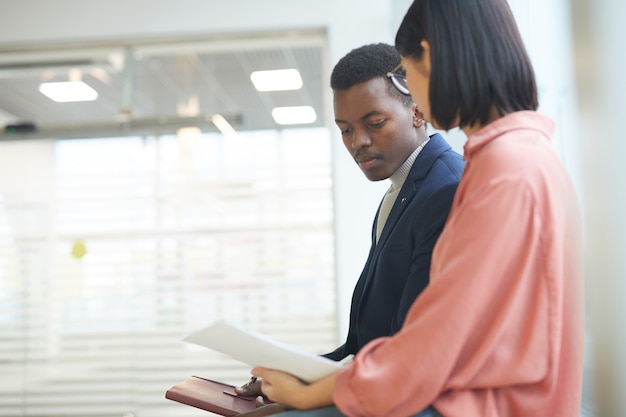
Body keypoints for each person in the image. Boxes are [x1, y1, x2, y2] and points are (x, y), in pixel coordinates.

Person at [249, 0, 585, 416]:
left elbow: (431, 344)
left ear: (431, 56)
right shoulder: (519, 156)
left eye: (407, 73)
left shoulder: (505, 171)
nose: (412, 93)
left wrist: (303, 395)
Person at [233, 42, 465, 416]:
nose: (359, 142)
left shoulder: (446, 189)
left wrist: (302, 394)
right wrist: (290, 377)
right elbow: (361, 345)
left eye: (375, 124)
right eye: (345, 130)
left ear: (418, 110)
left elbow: (407, 348)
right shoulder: (402, 191)